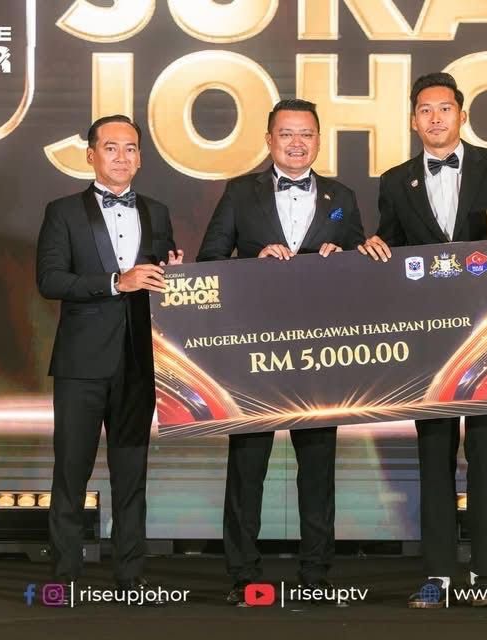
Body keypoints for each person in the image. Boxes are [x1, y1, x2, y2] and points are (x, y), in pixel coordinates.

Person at [358, 73, 487, 608]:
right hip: (429, 344)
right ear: (413, 120)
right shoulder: (395, 180)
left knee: (486, 455)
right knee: (433, 457)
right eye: (425, 110)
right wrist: (375, 247)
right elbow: (393, 251)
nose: (435, 118)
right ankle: (437, 576)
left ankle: (483, 577)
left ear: (462, 115)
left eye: (445, 109)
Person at [197, 98, 365, 606]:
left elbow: (365, 265)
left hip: (320, 353)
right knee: (247, 466)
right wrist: (253, 258)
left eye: (306, 134)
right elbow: (208, 261)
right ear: (269, 139)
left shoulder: (343, 196)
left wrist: (345, 257)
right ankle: (243, 574)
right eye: (286, 134)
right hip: (255, 352)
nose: (297, 143)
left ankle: (316, 573)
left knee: (318, 467)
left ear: (319, 140)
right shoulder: (239, 193)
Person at [36, 114, 183, 589]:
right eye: (113, 147)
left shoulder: (157, 211)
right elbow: (50, 280)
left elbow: (161, 277)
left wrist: (175, 273)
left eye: (132, 148)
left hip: (139, 362)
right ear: (91, 155)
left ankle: (131, 576)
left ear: (141, 156)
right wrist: (116, 283)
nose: (123, 157)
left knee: (131, 475)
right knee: (71, 473)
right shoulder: (62, 211)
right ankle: (66, 575)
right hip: (81, 364)